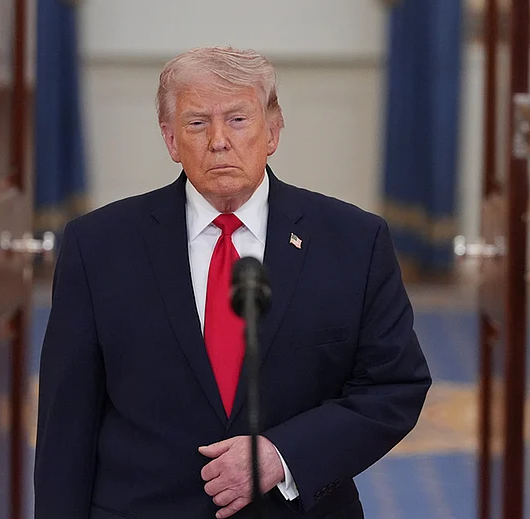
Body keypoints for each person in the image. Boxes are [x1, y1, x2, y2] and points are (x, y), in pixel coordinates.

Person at [34, 46, 431, 519]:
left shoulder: (354, 241)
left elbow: (394, 387)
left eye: (238, 119)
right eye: (197, 123)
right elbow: (66, 425)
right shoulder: (98, 246)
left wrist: (282, 455)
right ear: (170, 140)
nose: (219, 140)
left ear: (273, 131)